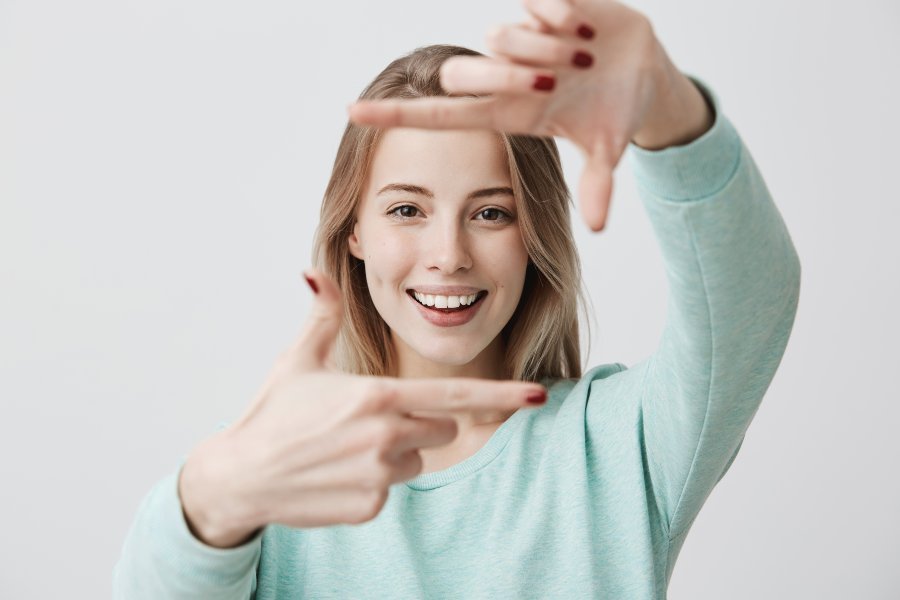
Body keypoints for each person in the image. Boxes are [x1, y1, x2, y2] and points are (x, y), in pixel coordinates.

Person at [113, 1, 801, 598]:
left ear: (534, 233)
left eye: (491, 213)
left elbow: (750, 300)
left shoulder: (619, 445)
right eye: (408, 210)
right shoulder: (281, 466)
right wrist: (211, 494)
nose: (448, 254)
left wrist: (667, 107)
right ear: (354, 231)